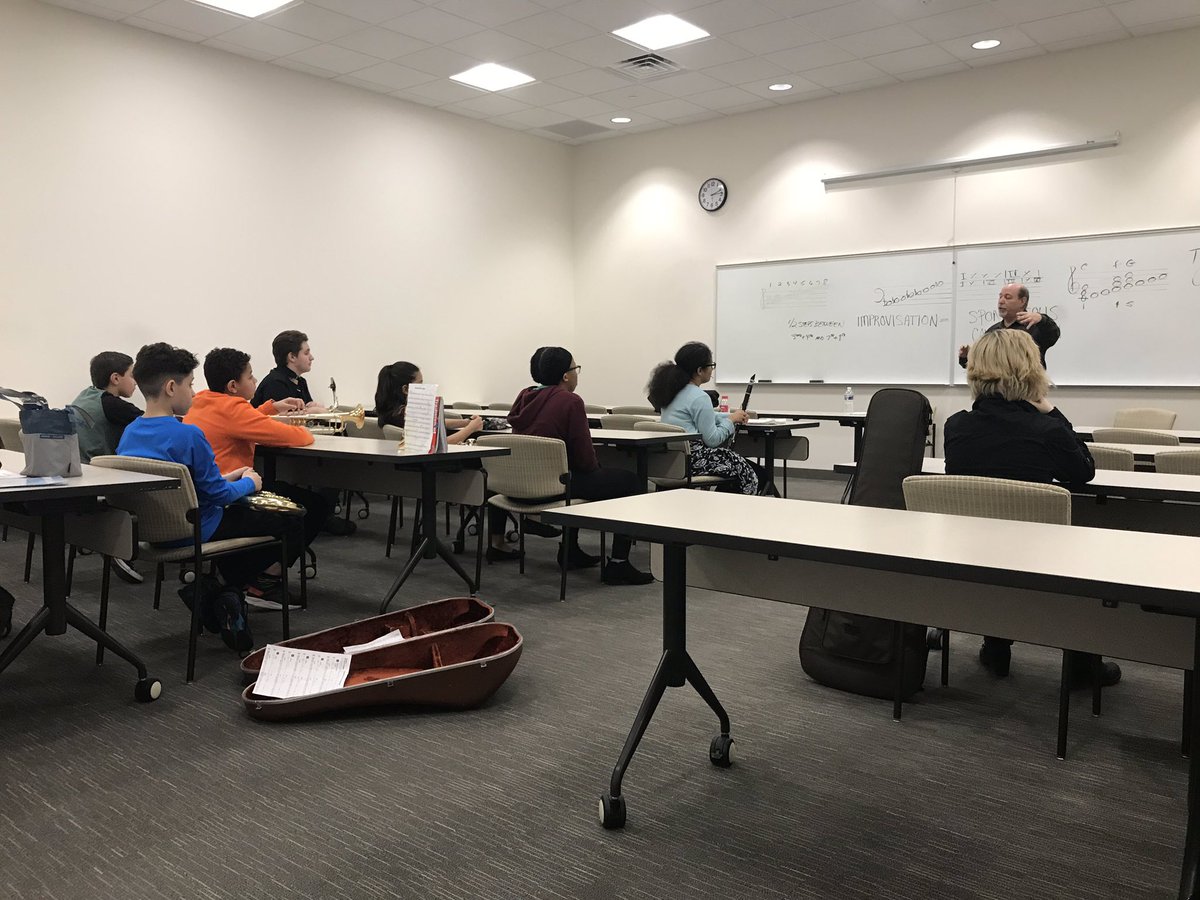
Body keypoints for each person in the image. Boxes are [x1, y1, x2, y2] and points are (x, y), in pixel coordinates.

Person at [944, 328, 1119, 687]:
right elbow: (1083, 471)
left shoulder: (956, 427)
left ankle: (995, 645)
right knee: (1090, 547)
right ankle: (1083, 661)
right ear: (1031, 370)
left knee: (993, 530)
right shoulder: (1045, 430)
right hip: (1043, 570)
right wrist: (1053, 411)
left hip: (971, 563)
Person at [117, 343, 300, 652]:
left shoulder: (130, 432)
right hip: (199, 527)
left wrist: (229, 477)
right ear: (172, 387)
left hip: (154, 532)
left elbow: (188, 482)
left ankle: (218, 592)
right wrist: (249, 484)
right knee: (288, 520)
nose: (193, 392)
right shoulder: (188, 434)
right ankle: (230, 591)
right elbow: (217, 494)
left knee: (245, 516)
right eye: (190, 384)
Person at [184, 347, 330, 606]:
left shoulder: (204, 401)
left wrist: (270, 408)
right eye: (250, 377)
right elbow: (298, 437)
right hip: (234, 493)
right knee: (313, 507)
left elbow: (238, 420)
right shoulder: (233, 409)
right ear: (232, 385)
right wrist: (303, 421)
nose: (255, 381)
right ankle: (263, 580)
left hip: (207, 494)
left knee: (288, 493)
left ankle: (243, 573)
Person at [502, 347, 653, 585]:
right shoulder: (570, 401)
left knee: (581, 476)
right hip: (554, 486)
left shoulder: (524, 396)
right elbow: (584, 459)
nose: (577, 374)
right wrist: (598, 468)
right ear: (565, 376)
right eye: (575, 368)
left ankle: (570, 551)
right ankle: (618, 565)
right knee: (631, 482)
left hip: (521, 486)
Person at [252, 330, 353, 535]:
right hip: (279, 453)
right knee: (331, 466)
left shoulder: (300, 382)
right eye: (307, 352)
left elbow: (300, 412)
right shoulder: (276, 382)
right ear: (292, 357)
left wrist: (311, 407)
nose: (312, 357)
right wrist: (310, 412)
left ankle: (325, 510)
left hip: (295, 445)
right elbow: (282, 422)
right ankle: (322, 514)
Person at [646, 341, 761, 495]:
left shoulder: (672, 391)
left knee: (740, 466)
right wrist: (731, 421)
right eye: (711, 365)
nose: (712, 370)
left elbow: (703, 416)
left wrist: (730, 416)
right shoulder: (700, 397)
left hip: (670, 460)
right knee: (747, 471)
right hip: (693, 461)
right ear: (700, 370)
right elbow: (713, 440)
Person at [71, 351, 145, 583]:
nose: (136, 382)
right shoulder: (113, 405)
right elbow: (153, 422)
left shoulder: (83, 397)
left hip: (77, 474)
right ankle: (120, 544)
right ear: (115, 378)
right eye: (133, 376)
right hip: (101, 478)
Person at [374, 361, 484, 444]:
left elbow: (433, 423)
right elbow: (442, 445)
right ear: (405, 389)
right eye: (420, 383)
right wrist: (471, 428)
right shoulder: (409, 414)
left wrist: (465, 422)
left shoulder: (392, 411)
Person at [958, 282, 1059, 369]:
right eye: (1000, 296)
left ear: (1022, 301)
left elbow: (1053, 333)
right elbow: (982, 366)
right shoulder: (993, 331)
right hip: (995, 389)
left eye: (1008, 297)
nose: (1001, 301)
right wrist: (967, 357)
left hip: (1026, 389)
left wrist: (1041, 318)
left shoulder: (1035, 327)